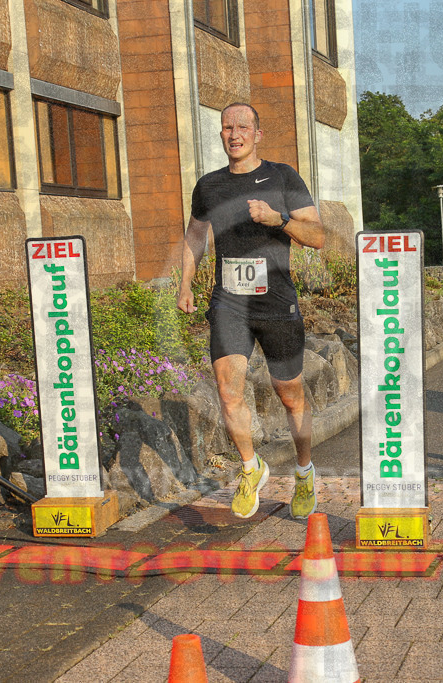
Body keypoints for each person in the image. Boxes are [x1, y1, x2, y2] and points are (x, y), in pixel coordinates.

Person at [177, 102, 325, 520]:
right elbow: (194, 235)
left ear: (258, 134)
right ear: (221, 134)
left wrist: (278, 219)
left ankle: (303, 470)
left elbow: (316, 236)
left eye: (243, 126)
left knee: (290, 395)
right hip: (229, 301)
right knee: (228, 390)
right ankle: (250, 467)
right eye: (227, 127)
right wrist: (186, 283)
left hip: (276, 301)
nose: (234, 133)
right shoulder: (208, 186)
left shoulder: (282, 176)